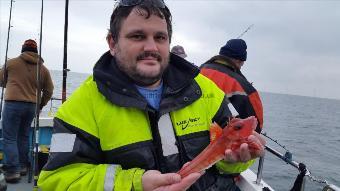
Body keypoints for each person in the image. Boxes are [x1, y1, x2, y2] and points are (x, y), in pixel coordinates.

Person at [38, 1, 265, 190]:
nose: (151, 47)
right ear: (112, 42)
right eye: (137, 36)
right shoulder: (79, 108)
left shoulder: (208, 92)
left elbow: (227, 163)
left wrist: (234, 161)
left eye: (160, 37)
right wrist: (135, 183)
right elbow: (56, 180)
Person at [0, 39, 54, 183]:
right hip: (31, 106)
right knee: (23, 136)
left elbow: (0, 80)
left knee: (9, 138)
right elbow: (49, 90)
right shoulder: (43, 69)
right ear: (36, 51)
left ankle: (12, 171)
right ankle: (23, 166)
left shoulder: (11, 63)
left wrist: (11, 81)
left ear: (23, 49)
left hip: (12, 104)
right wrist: (40, 105)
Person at [200, 39, 264, 133]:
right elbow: (256, 124)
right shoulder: (242, 85)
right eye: (242, 64)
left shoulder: (198, 70)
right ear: (239, 61)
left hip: (189, 135)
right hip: (218, 140)